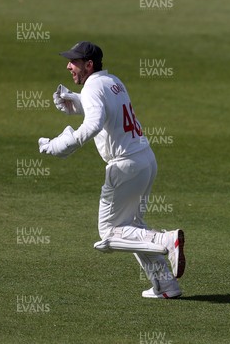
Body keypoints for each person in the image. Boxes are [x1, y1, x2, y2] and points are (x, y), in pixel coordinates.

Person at [38, 41, 186, 298]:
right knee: (133, 226)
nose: (68, 66)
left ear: (89, 64)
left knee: (108, 233)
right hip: (145, 160)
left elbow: (94, 124)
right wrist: (77, 101)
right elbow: (108, 110)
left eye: (74, 62)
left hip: (125, 166)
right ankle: (166, 286)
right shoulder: (111, 81)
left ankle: (166, 240)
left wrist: (61, 145)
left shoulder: (93, 86)